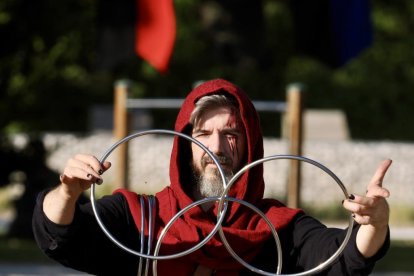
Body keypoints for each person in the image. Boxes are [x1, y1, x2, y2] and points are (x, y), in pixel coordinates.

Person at [32, 79, 392, 275]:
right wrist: (66, 192)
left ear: (250, 147)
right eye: (202, 135)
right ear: (184, 145)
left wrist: (374, 224)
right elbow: (63, 239)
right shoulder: (140, 218)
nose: (216, 148)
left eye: (231, 134)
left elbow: (341, 260)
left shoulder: (277, 229)